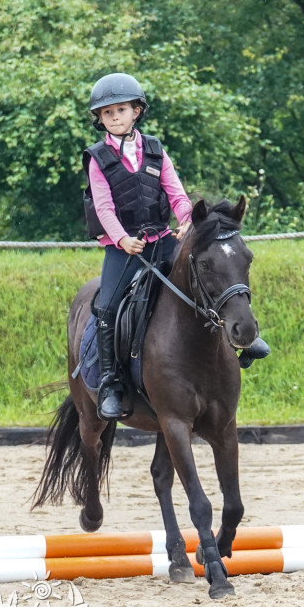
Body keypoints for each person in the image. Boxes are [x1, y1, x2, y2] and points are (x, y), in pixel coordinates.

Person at [83, 72, 269, 422]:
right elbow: (104, 206)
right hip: (123, 250)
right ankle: (110, 382)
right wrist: (122, 238)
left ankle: (243, 338)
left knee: (210, 277)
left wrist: (189, 221)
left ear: (136, 111)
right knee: (107, 307)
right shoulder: (97, 158)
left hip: (162, 242)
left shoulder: (155, 149)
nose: (114, 117)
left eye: (120, 110)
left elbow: (177, 193)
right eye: (106, 113)